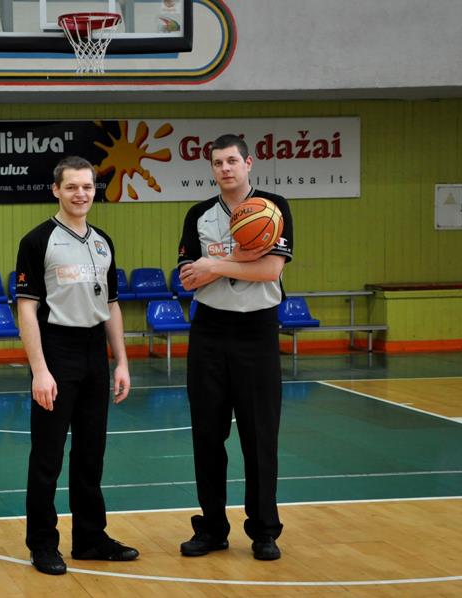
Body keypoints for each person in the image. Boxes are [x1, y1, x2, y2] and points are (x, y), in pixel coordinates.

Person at [15, 155, 137, 575]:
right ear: (56, 190)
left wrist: (121, 362)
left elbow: (112, 305)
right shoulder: (37, 241)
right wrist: (40, 370)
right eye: (71, 187)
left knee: (91, 454)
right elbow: (26, 310)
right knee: (47, 457)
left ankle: (89, 538)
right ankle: (42, 544)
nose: (80, 194)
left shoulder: (103, 241)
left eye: (87, 186)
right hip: (56, 350)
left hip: (93, 352)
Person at [176, 134, 293, 561]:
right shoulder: (199, 215)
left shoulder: (273, 207)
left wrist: (215, 264)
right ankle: (212, 528)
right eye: (217, 163)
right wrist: (237, 260)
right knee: (207, 435)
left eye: (231, 161)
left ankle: (264, 531)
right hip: (209, 332)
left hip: (257, 332)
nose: (225, 168)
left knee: (260, 436)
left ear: (248, 163)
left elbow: (271, 269)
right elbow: (188, 278)